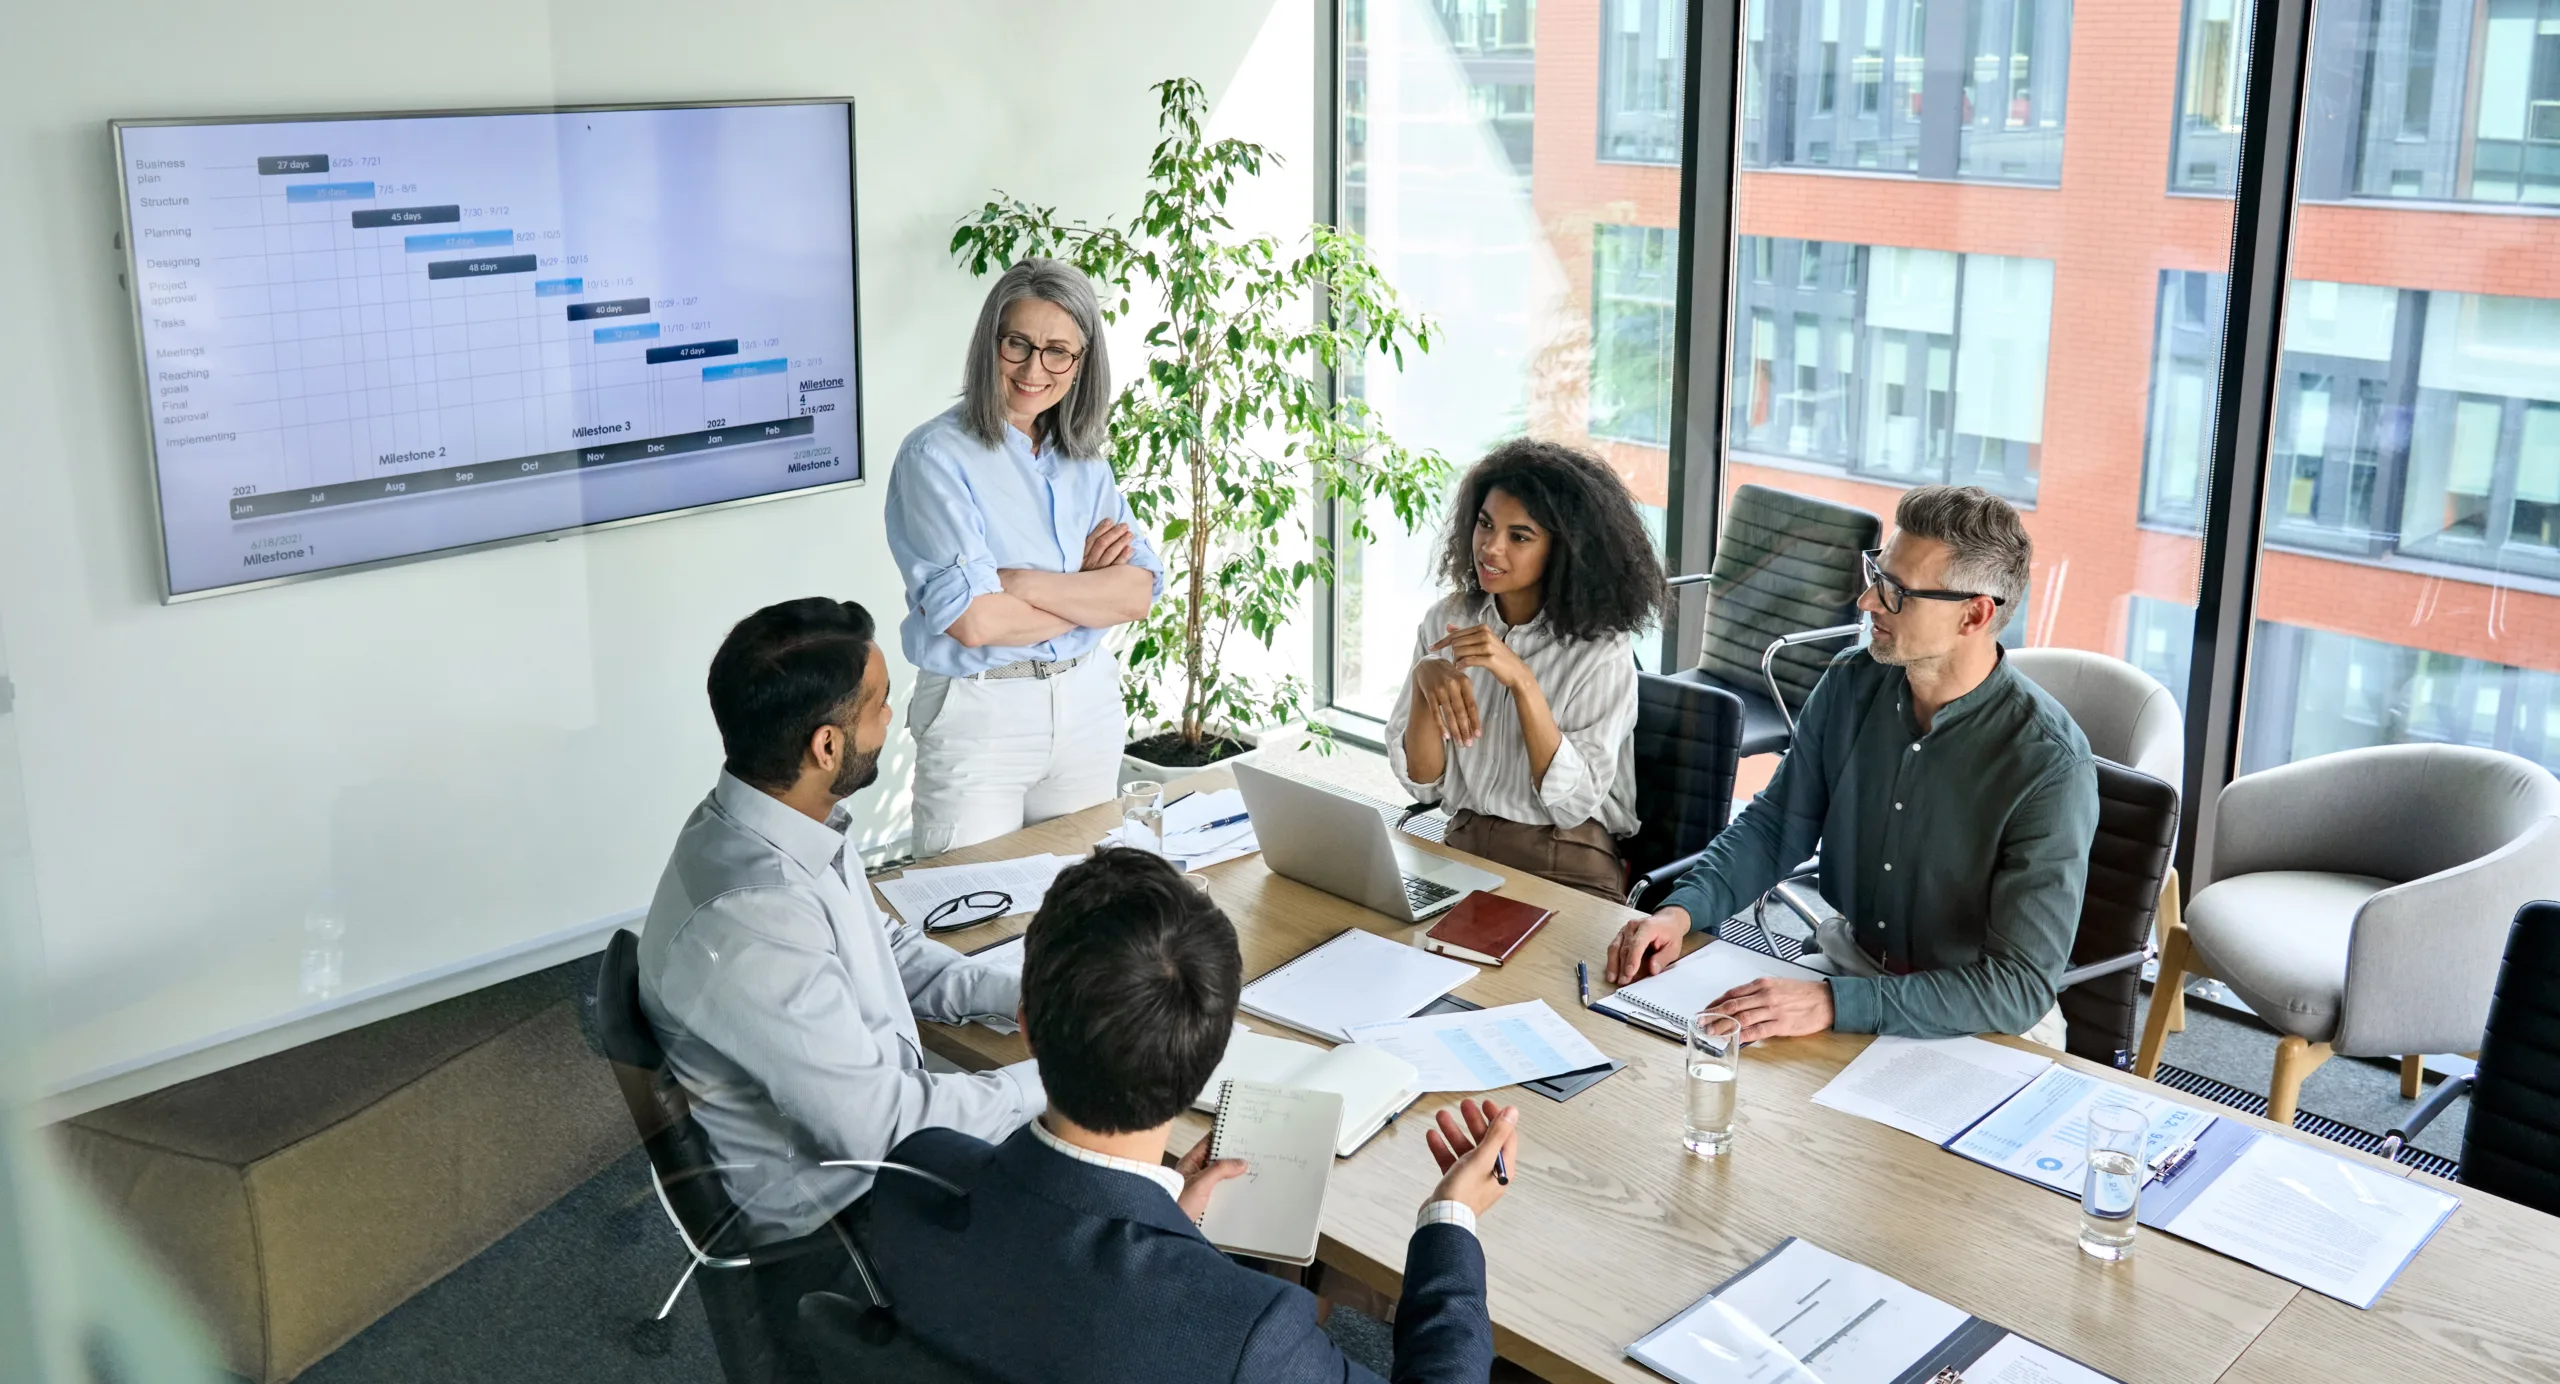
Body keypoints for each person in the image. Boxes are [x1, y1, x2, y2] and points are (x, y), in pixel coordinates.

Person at [858, 848, 1515, 1384]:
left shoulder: (913, 1176)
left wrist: (1170, 1219)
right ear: (1209, 1059)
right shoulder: (1247, 1333)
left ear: (1027, 1029)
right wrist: (1451, 1220)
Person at [1605, 486, 2099, 1048]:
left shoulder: (2050, 764)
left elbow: (2016, 987)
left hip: (1980, 1022)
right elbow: (1773, 829)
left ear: (1975, 614)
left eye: (1897, 593)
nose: (1867, 602)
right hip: (1849, 968)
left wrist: (1832, 1003)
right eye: (1875, 575)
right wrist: (1679, 914)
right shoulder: (1850, 681)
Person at [637, 597, 1042, 1252]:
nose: (894, 719)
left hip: (876, 1147)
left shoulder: (777, 820)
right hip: (849, 1221)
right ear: (827, 746)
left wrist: (1015, 994)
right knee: (1115, 1189)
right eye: (879, 705)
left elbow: (883, 948)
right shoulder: (750, 921)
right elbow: (884, 1130)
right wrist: (1064, 1078)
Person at [884, 258, 1161, 858]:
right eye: (1019, 344)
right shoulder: (935, 456)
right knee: (969, 918)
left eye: (1059, 351)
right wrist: (1088, 594)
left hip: (1087, 707)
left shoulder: (1085, 458)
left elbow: (1136, 593)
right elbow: (975, 622)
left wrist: (1019, 583)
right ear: (991, 343)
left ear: (1083, 363)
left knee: (1087, 919)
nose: (1036, 368)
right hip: (981, 712)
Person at [1386, 439, 1667, 901]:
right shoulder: (1446, 620)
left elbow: (1574, 805)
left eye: (1519, 536)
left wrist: (1522, 681)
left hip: (1567, 862)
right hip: (1465, 846)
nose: (1490, 548)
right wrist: (1423, 681)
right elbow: (1424, 783)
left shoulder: (1601, 651)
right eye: (1485, 524)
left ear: (1565, 550)